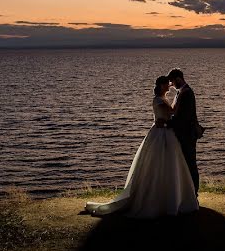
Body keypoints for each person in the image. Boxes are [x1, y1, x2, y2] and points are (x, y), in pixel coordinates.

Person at [84, 76, 198, 218]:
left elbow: (169, 115)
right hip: (160, 134)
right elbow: (173, 112)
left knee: (170, 165)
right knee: (157, 165)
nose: (170, 86)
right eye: (167, 84)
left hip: (166, 133)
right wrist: (179, 96)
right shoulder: (158, 99)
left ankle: (169, 197)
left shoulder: (162, 98)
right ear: (162, 85)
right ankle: (157, 199)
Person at [166, 68, 200, 195]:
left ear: (178, 78)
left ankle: (194, 192)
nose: (172, 85)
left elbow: (184, 117)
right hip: (184, 133)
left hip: (187, 134)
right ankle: (188, 192)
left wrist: (167, 123)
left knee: (190, 163)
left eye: (173, 82)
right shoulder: (182, 92)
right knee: (186, 163)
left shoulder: (186, 93)